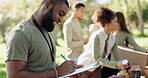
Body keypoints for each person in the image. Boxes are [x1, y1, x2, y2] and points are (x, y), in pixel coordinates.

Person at [5, 0, 83, 78]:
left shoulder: (47, 31)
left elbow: (45, 66)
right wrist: (57, 72)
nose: (61, 20)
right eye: (60, 14)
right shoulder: (20, 34)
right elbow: (14, 75)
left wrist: (68, 70)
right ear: (48, 5)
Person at [77, 7, 129, 78]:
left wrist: (122, 63)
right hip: (84, 67)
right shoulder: (96, 36)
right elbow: (97, 59)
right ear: (107, 22)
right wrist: (116, 65)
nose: (117, 24)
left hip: (96, 68)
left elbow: (117, 56)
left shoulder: (113, 38)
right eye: (115, 21)